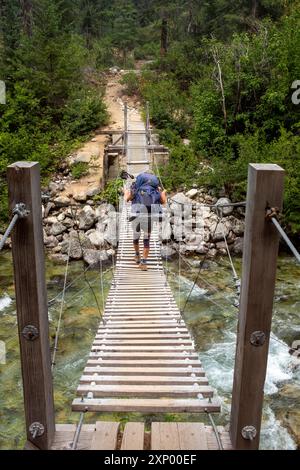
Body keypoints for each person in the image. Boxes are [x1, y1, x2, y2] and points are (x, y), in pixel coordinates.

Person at [124, 171, 167, 271]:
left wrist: (126, 192)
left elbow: (127, 199)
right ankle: (143, 262)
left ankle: (137, 255)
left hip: (137, 215)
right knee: (146, 239)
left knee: (136, 236)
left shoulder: (136, 187)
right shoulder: (156, 189)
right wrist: (163, 192)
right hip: (149, 216)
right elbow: (163, 202)